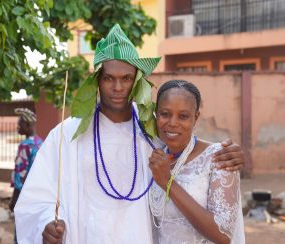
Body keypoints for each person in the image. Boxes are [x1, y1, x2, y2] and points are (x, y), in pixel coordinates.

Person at [14, 24, 244, 244]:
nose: (117, 87)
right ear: (97, 81)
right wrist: (45, 225)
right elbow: (36, 198)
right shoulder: (67, 134)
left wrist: (229, 154)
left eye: (126, 78)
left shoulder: (152, 132)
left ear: (137, 82)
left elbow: (190, 152)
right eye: (108, 78)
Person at [149, 80, 245, 243]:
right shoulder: (154, 156)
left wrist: (168, 184)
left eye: (183, 116)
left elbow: (222, 235)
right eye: (165, 114)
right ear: (156, 114)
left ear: (196, 117)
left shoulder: (218, 157)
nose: (172, 123)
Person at [9, 108, 43, 243]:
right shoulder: (40, 142)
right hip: (39, 196)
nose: (18, 126)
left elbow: (20, 177)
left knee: (21, 234)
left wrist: (13, 201)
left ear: (28, 126)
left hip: (25, 197)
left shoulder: (25, 146)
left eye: (20, 124)